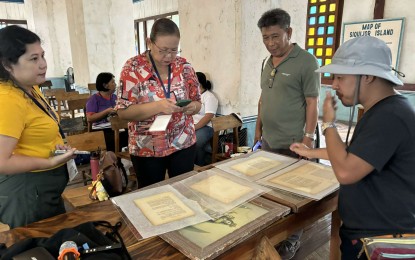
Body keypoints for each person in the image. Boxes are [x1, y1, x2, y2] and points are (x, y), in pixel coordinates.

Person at [290, 36, 415, 259]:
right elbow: (357, 154)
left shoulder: (390, 116)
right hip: (370, 233)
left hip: (380, 239)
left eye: (340, 77)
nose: (335, 84)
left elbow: (347, 172)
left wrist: (327, 122)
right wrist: (310, 152)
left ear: (367, 76)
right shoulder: (384, 110)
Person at [255, 8, 321, 259]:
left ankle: (292, 240)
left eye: (275, 36)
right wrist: (258, 129)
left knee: (297, 196)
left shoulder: (306, 61)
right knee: (272, 191)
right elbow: (263, 98)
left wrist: (308, 139)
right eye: (265, 38)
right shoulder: (266, 62)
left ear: (289, 32)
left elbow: (312, 103)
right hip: (270, 141)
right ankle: (276, 234)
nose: (270, 43)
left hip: (295, 143)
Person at [0, 25, 76, 228]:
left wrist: (55, 148)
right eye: (33, 59)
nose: (43, 64)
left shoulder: (29, 88)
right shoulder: (8, 98)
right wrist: (49, 163)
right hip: (27, 191)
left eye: (42, 56)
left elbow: (36, 130)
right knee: (35, 249)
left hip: (44, 188)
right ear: (8, 65)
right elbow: (2, 161)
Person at [116, 18, 201, 188]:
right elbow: (123, 112)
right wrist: (158, 106)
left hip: (182, 142)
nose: (168, 56)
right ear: (149, 42)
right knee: (151, 195)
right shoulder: (132, 68)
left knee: (185, 191)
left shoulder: (184, 66)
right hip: (147, 147)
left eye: (174, 50)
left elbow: (197, 101)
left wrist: (193, 107)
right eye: (163, 50)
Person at [86, 72, 128, 152]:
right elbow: (90, 118)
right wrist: (107, 111)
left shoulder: (114, 97)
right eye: (112, 82)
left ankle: (119, 158)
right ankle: (114, 161)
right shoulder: (94, 99)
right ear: (105, 85)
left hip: (115, 127)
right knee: (112, 138)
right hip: (101, 130)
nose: (115, 84)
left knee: (129, 133)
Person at [193, 72, 218, 166]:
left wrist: (194, 128)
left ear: (199, 84)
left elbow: (208, 117)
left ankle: (200, 166)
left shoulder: (209, 97)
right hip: (194, 125)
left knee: (196, 142)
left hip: (207, 127)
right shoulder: (193, 96)